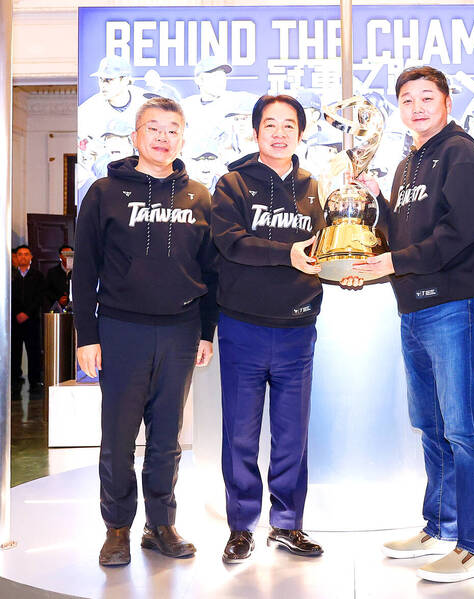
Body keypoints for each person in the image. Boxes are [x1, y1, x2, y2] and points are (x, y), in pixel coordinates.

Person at [344, 66, 474, 583]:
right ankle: (442, 525)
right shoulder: (408, 163)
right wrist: (377, 202)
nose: (416, 106)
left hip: (455, 303)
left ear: (447, 101)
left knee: (464, 427)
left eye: (426, 97)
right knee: (431, 424)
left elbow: (459, 234)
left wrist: (390, 264)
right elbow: (403, 234)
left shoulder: (464, 155)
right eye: (407, 99)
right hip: (413, 306)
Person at [73, 96, 218, 568]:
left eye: (172, 129)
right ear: (136, 136)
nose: (162, 137)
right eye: (153, 128)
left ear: (182, 137)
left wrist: (206, 331)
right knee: (117, 435)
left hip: (180, 330)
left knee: (167, 437)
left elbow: (210, 270)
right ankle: (117, 529)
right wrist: (86, 335)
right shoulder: (104, 192)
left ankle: (161, 524)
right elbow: (85, 270)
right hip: (121, 329)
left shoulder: (198, 194)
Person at [211, 94, 326, 564]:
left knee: (292, 434)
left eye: (289, 125)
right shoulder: (232, 183)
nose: (279, 132)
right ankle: (241, 527)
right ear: (255, 131)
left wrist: (346, 266)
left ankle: (288, 524)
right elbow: (230, 242)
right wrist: (286, 254)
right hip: (243, 326)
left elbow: (325, 246)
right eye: (270, 124)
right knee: (239, 432)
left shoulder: (314, 187)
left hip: (298, 328)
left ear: (301, 133)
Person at [11, 245, 45, 392]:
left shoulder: (38, 276)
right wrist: (17, 313)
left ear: (31, 257)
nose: (23, 257)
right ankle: (15, 379)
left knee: (34, 351)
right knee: (14, 351)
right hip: (14, 320)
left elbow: (40, 297)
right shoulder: (10, 275)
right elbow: (9, 297)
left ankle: (35, 380)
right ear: (16, 257)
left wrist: (27, 313)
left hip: (32, 319)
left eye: (26, 254)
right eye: (20, 254)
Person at [45, 244, 73, 311]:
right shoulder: (52, 272)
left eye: (70, 254)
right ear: (60, 256)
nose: (67, 256)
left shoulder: (77, 271)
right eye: (65, 254)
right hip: (57, 308)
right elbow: (47, 290)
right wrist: (58, 298)